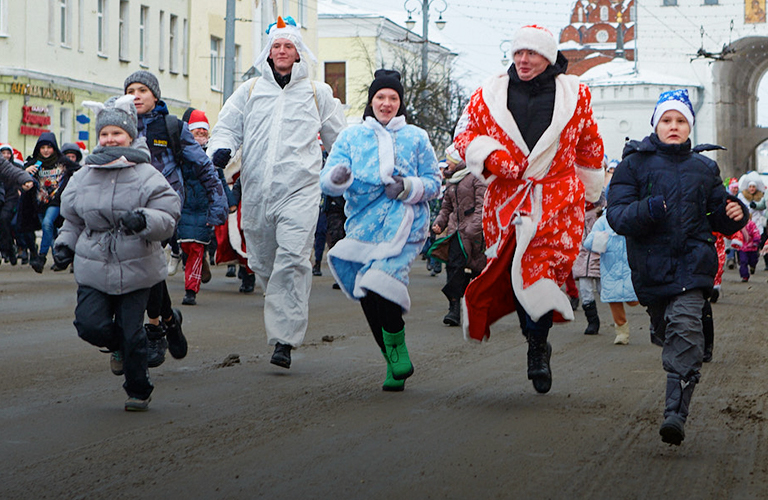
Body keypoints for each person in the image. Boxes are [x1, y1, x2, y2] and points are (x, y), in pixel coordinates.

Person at [453, 25, 605, 393]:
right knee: (516, 276)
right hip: (507, 202)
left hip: (557, 200)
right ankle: (533, 336)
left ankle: (538, 347)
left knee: (540, 273)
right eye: (518, 53)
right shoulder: (489, 94)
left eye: (532, 53)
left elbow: (589, 144)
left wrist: (590, 190)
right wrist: (490, 157)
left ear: (548, 57)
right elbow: (464, 136)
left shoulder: (575, 95)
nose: (523, 60)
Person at [607, 88, 747, 446]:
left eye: (681, 121)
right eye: (667, 120)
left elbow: (717, 215)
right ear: (655, 124)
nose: (674, 126)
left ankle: (675, 415)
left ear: (690, 127)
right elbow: (617, 216)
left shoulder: (704, 168)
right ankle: (675, 342)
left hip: (694, 265)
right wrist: (649, 209)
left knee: (685, 331)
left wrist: (735, 213)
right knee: (668, 331)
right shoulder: (633, 165)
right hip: (651, 269)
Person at [207, 16, 346, 369]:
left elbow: (341, 141)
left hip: (300, 190)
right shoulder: (250, 90)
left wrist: (345, 174)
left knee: (293, 259)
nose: (282, 51)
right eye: (277, 46)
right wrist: (220, 150)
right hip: (256, 192)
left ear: (299, 53)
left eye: (289, 46)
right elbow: (227, 127)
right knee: (265, 262)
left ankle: (284, 339)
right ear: (268, 53)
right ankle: (282, 309)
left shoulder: (317, 93)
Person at [53, 95, 180, 411]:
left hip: (137, 266)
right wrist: (65, 245)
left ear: (130, 135)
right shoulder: (84, 174)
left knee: (132, 331)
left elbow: (168, 215)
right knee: (89, 325)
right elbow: (72, 219)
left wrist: (143, 220)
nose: (110, 139)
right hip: (94, 264)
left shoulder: (146, 173)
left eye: (117, 133)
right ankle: (119, 346)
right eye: (105, 133)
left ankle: (138, 390)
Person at [320, 69, 441, 390]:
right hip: (363, 227)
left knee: (380, 284)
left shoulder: (416, 137)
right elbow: (328, 177)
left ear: (400, 103)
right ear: (371, 101)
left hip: (405, 225)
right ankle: (391, 360)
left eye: (393, 98)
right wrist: (337, 178)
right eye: (380, 97)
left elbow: (434, 182)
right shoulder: (351, 137)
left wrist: (408, 186)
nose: (386, 103)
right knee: (366, 292)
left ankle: (398, 349)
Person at [125, 70, 227, 367]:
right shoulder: (118, 125)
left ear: (155, 95)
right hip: (127, 208)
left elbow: (204, 166)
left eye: (142, 90)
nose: (136, 95)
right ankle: (169, 319)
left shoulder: (172, 127)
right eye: (130, 90)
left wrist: (218, 203)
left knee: (147, 261)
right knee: (142, 267)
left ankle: (154, 328)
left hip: (164, 207)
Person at [430, 144, 486, 327]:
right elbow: (446, 207)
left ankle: (476, 309)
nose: (447, 164)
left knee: (476, 271)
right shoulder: (451, 180)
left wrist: (473, 229)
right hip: (455, 232)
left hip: (474, 234)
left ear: (460, 161)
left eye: (450, 160)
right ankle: (453, 309)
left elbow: (482, 205)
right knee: (454, 267)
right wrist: (439, 223)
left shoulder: (477, 177)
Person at [21, 133, 79, 273]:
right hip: (39, 204)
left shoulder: (63, 161)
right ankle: (59, 259)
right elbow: (19, 176)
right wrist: (25, 171)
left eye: (49, 147)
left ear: (54, 148)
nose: (46, 150)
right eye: (43, 148)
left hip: (56, 201)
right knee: (50, 232)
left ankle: (41, 257)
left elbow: (79, 170)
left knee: (47, 223)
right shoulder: (34, 163)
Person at [582, 212, 639, 344]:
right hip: (610, 269)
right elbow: (588, 242)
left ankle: (656, 320)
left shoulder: (632, 214)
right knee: (614, 300)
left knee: (634, 299)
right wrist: (602, 239)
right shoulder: (603, 221)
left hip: (630, 266)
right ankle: (622, 332)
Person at [0, 145, 33, 264]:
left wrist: (25, 179)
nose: (6, 155)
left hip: (9, 197)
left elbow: (10, 170)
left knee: (5, 220)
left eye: (7, 153)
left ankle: (9, 249)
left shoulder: (10, 165)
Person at [729, 215, 761, 282]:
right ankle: (745, 276)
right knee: (743, 261)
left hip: (752, 247)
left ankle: (752, 266)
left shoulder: (751, 224)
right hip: (742, 247)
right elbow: (735, 233)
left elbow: (755, 232)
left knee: (753, 260)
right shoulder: (738, 226)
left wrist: (756, 240)